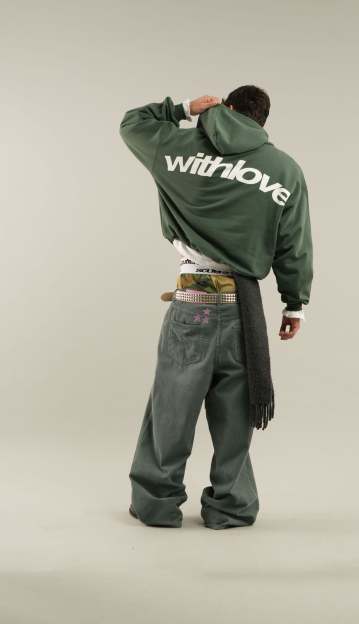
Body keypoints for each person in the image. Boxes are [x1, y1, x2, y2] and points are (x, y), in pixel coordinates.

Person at [119, 85, 313, 529]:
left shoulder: (177, 147)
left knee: (171, 409)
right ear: (262, 122)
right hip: (243, 311)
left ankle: (155, 504)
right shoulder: (284, 170)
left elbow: (132, 124)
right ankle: (232, 507)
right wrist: (294, 304)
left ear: (226, 108)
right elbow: (294, 243)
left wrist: (184, 109)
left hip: (193, 304)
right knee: (236, 414)